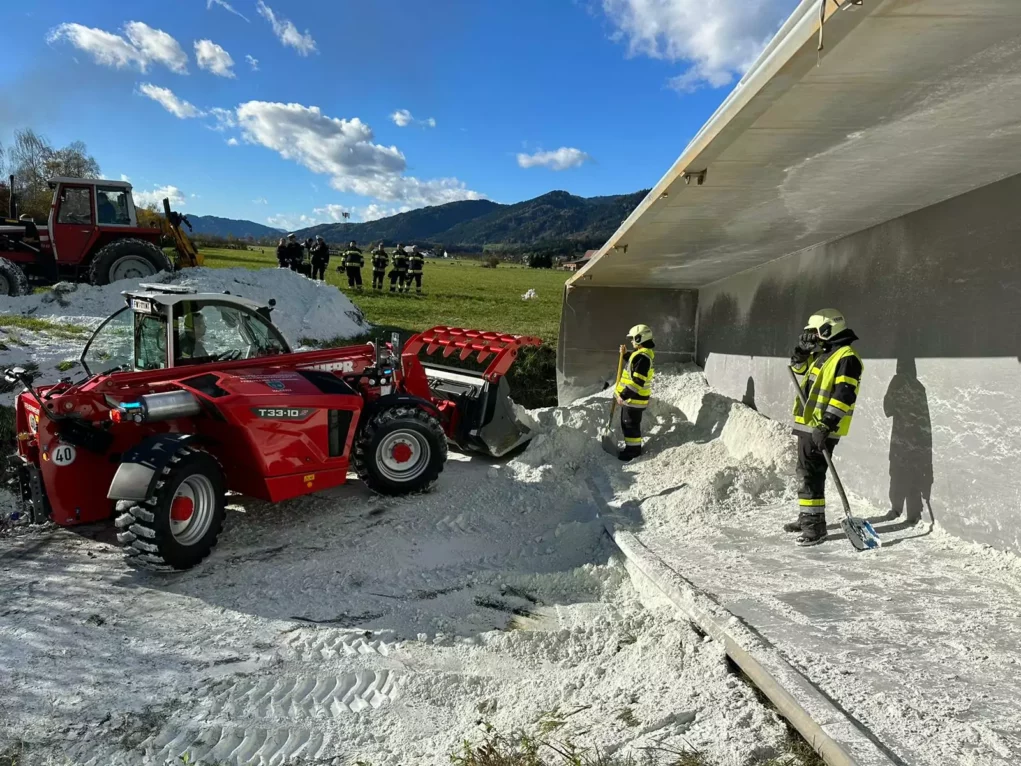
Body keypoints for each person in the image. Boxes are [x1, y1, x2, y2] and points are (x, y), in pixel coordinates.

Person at [785, 308, 864, 547]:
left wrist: (826, 424)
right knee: (805, 471)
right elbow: (798, 368)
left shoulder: (847, 358)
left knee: (812, 474)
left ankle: (815, 528)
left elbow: (844, 395)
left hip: (821, 427)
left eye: (816, 332)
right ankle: (807, 517)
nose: (813, 337)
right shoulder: (824, 354)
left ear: (829, 329)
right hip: (809, 425)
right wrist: (802, 351)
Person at [614, 324, 655, 461]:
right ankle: (632, 448)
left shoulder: (642, 358)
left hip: (634, 399)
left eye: (633, 339)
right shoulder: (640, 355)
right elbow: (633, 365)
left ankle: (633, 451)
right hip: (633, 399)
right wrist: (625, 354)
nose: (631, 341)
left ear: (639, 339)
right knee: (629, 424)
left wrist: (623, 395)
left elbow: (637, 381)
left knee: (630, 425)